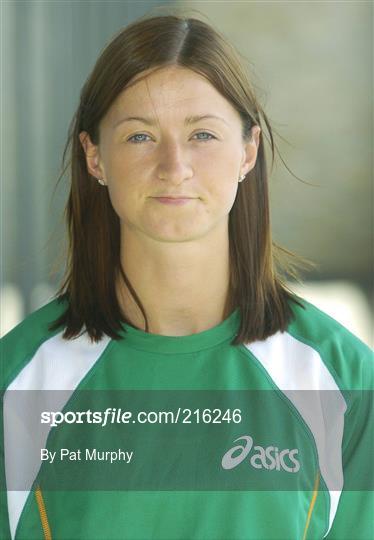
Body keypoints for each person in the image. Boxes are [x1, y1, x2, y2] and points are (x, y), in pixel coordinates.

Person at [1, 13, 372, 540]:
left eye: (201, 134)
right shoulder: (16, 383)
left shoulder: (345, 382)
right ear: (94, 156)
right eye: (139, 137)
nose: (174, 167)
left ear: (247, 151)